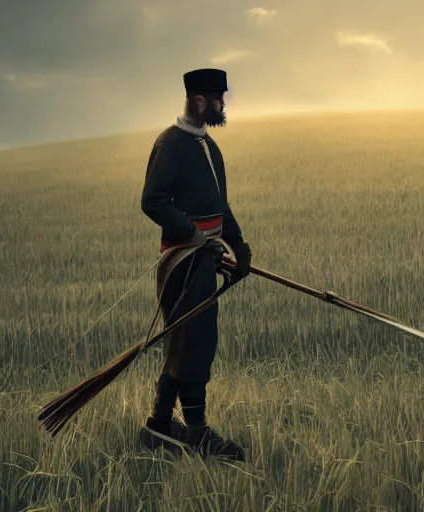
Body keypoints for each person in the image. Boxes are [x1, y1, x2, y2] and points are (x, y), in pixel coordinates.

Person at [138, 68, 252, 461]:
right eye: (219, 99)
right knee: (194, 344)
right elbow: (152, 200)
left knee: (185, 344)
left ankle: (156, 425)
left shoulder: (210, 147)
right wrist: (191, 233)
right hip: (183, 263)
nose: (224, 105)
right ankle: (198, 433)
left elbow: (221, 207)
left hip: (207, 259)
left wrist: (239, 248)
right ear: (200, 101)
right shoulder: (170, 144)